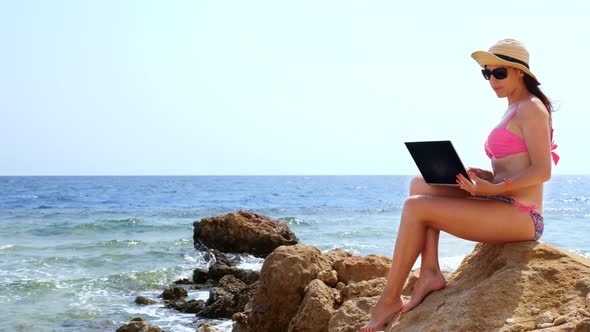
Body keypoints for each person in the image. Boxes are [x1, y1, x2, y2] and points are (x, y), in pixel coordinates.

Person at [360, 39, 559, 332]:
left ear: (519, 72)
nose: (492, 80)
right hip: (500, 200)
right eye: (486, 73)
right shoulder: (513, 107)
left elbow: (543, 171)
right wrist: (485, 177)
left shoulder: (531, 108)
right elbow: (515, 166)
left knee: (415, 208)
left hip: (522, 215)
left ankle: (389, 299)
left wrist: (494, 189)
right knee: (419, 183)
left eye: (499, 73)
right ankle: (429, 271)